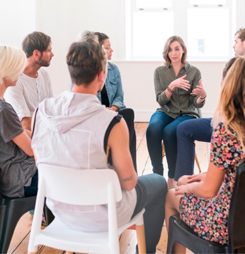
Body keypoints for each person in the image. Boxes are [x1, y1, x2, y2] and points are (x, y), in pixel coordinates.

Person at [31, 40, 167, 254]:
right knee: (159, 183)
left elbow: (41, 161)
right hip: (104, 216)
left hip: (60, 210)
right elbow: (130, 183)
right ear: (102, 75)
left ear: (70, 71)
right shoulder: (111, 122)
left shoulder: (42, 111)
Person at [165, 57, 245, 252]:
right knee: (187, 183)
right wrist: (202, 177)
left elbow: (208, 191)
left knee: (173, 195)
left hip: (226, 224)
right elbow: (243, 169)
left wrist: (192, 187)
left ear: (228, 85)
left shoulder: (227, 131)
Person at [174, 25, 245, 180]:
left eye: (236, 41)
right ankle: (183, 181)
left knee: (221, 136)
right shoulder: (237, 67)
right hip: (227, 122)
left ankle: (214, 179)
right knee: (184, 128)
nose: (233, 45)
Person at [146, 36, 206, 189]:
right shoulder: (159, 72)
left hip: (187, 112)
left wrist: (202, 96)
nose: (173, 53)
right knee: (152, 129)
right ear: (166, 53)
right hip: (166, 110)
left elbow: (195, 102)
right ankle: (157, 174)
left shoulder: (193, 71)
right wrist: (171, 87)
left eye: (177, 49)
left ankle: (171, 177)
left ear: (183, 50)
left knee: (170, 131)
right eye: (170, 50)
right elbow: (160, 100)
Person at [77, 30, 137, 171]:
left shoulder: (114, 69)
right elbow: (80, 100)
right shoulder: (84, 72)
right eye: (108, 47)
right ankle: (120, 168)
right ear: (99, 50)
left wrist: (113, 109)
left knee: (128, 113)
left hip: (111, 112)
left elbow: (119, 96)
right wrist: (102, 111)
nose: (112, 50)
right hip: (94, 115)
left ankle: (129, 167)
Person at [0, 45, 37, 198]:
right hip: (16, 177)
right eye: (17, 70)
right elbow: (31, 150)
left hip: (9, 173)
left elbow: (19, 133)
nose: (21, 73)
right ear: (6, 74)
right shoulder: (4, 110)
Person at [4, 31, 54, 133]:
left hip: (46, 134)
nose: (52, 54)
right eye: (49, 51)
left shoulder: (44, 74)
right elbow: (25, 124)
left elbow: (52, 111)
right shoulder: (14, 81)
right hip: (30, 139)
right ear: (36, 54)